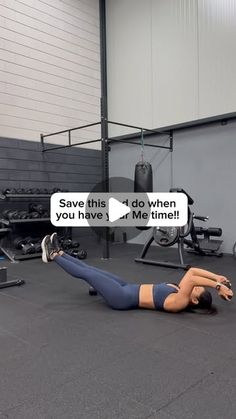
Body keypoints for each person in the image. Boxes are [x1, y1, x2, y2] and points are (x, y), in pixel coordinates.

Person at [41, 233, 233, 314]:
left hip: (122, 298)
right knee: (92, 269)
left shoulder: (179, 302)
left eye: (197, 290)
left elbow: (192, 278)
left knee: (87, 275)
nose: (195, 285)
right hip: (126, 286)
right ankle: (60, 252)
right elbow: (192, 272)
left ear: (195, 300)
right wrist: (217, 277)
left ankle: (52, 256)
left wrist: (217, 286)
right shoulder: (181, 290)